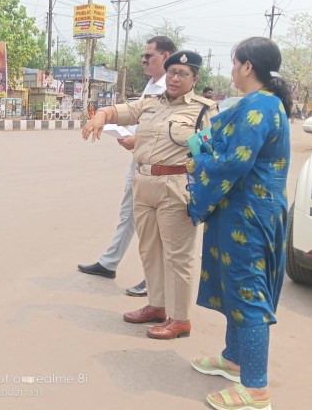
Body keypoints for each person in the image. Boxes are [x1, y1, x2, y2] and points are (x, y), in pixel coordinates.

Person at [185, 37, 291, 410]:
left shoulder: (260, 106)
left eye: (234, 63)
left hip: (249, 215)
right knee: (234, 287)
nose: (231, 71)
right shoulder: (256, 104)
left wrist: (198, 163)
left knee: (248, 293)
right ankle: (234, 360)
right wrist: (201, 146)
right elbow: (221, 147)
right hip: (240, 211)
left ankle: (256, 389)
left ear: (248, 66)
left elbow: (233, 162)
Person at [82, 49, 218, 339]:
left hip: (175, 187)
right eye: (171, 72)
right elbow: (120, 111)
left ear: (194, 78)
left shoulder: (204, 110)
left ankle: (179, 319)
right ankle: (157, 306)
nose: (175, 78)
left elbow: (211, 154)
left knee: (177, 256)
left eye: (183, 74)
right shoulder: (150, 104)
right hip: (143, 184)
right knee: (149, 250)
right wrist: (100, 116)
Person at [77, 36, 177, 297]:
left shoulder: (172, 87)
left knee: (156, 223)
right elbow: (138, 115)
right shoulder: (152, 84)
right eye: (143, 55)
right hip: (141, 161)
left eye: (149, 55)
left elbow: (174, 130)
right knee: (129, 214)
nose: (143, 59)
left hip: (161, 167)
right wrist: (107, 117)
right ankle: (109, 263)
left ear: (166, 56)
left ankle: (154, 278)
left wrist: (139, 138)